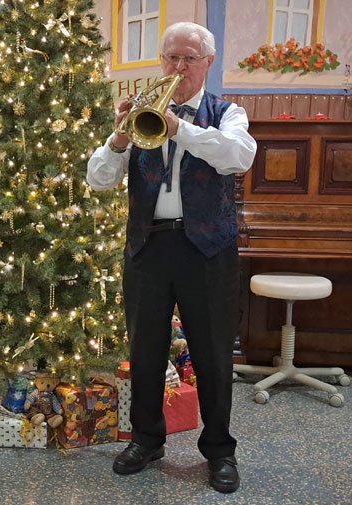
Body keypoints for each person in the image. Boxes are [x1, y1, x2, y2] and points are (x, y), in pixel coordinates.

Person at [86, 22, 256, 494]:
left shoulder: (228, 113)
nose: (178, 67)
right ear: (161, 62)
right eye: (171, 58)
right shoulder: (141, 114)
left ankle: (220, 450)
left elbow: (237, 157)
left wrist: (179, 127)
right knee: (144, 350)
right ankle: (146, 439)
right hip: (148, 246)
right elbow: (98, 179)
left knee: (213, 354)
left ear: (207, 63)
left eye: (189, 59)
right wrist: (119, 139)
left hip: (207, 250)